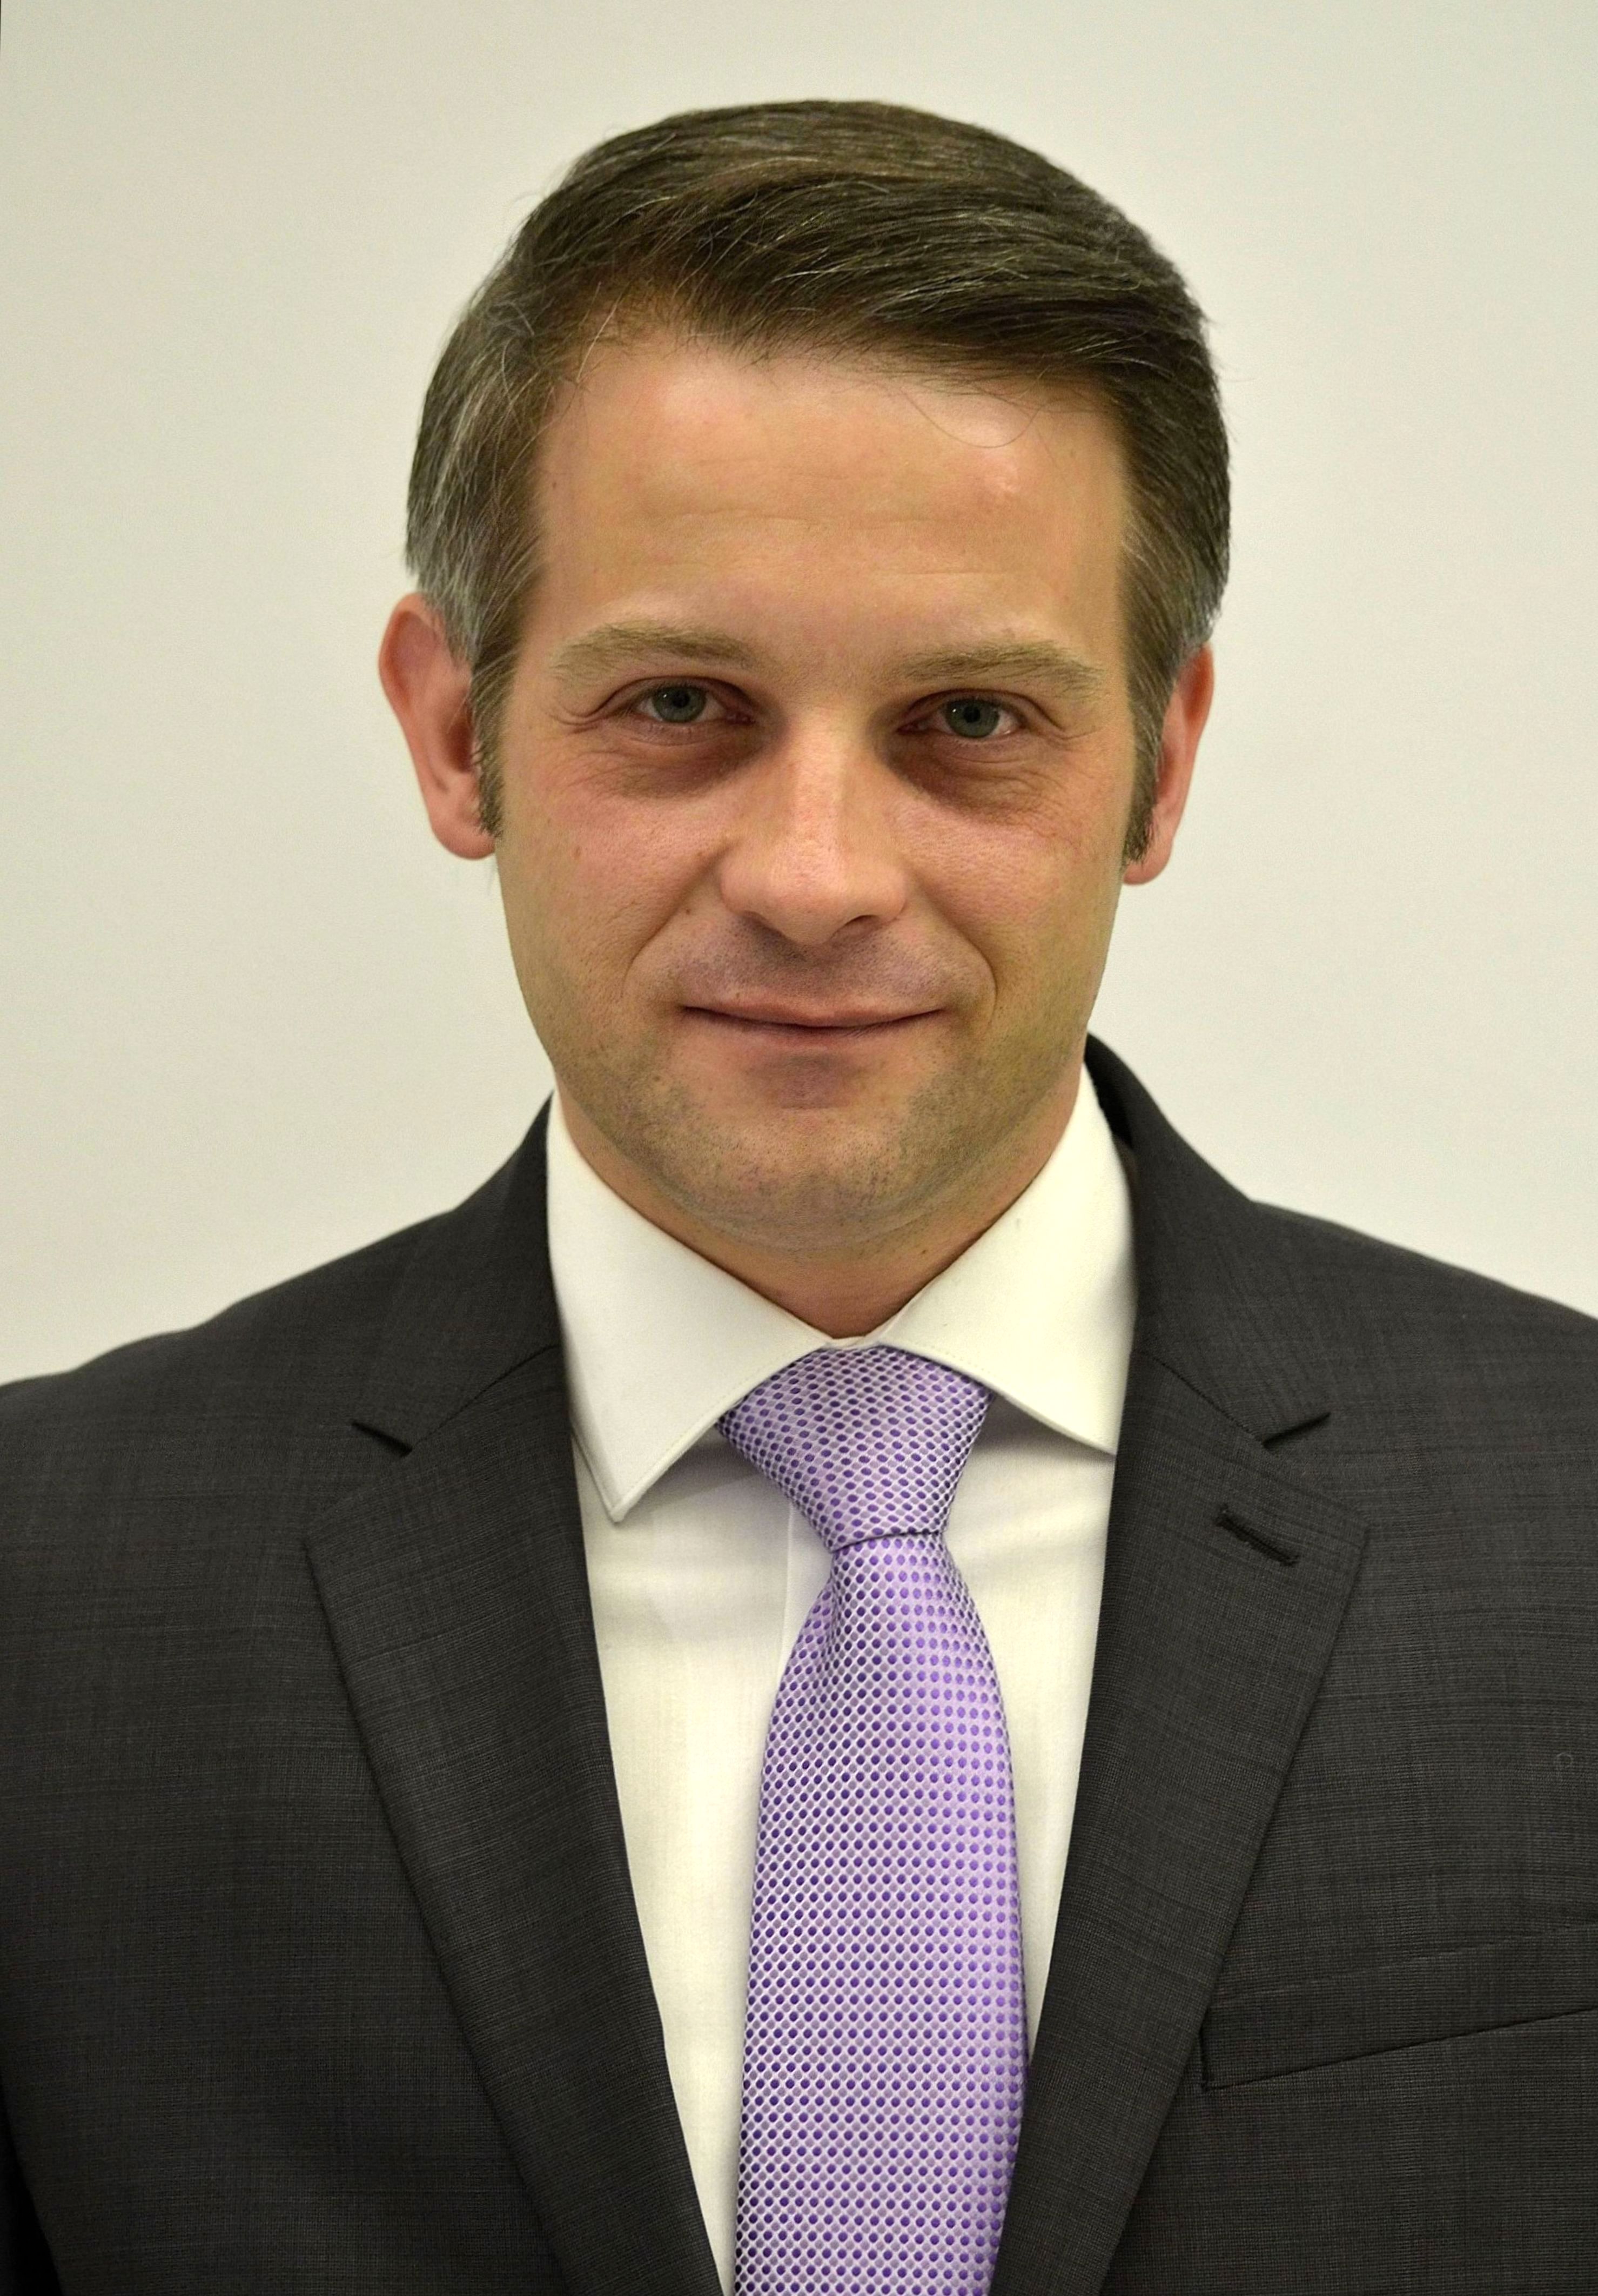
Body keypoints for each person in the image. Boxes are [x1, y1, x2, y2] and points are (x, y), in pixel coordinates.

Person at [2, 97, 1594, 2296]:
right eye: (682, 703)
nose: (817, 876)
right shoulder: (44, 1591)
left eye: (969, 719)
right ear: (456, 733)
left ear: (1159, 760)